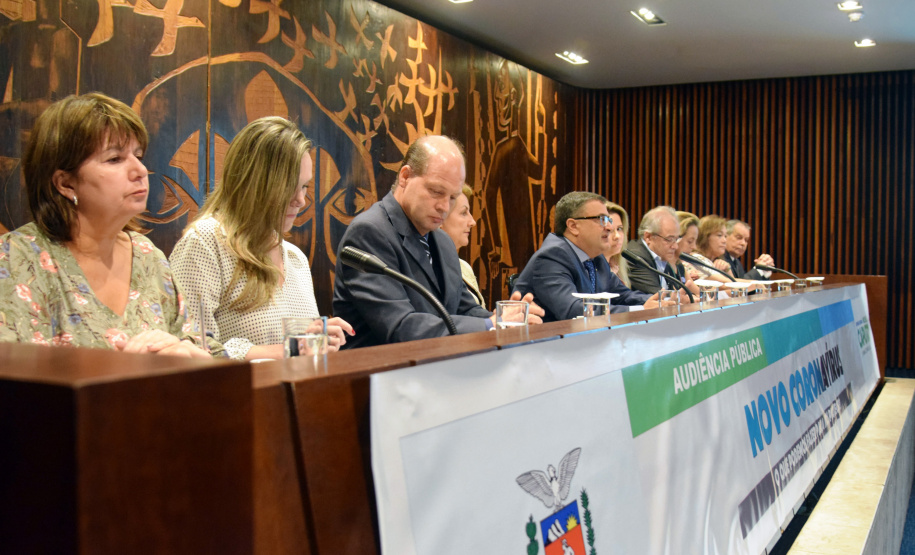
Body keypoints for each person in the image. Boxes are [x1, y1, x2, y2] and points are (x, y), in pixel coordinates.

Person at [0, 92, 214, 357]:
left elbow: (201, 346)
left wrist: (191, 357)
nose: (139, 171)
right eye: (115, 159)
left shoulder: (148, 256)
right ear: (66, 183)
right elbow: (15, 381)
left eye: (138, 155)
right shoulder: (16, 257)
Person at [332, 135, 542, 349]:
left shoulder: (442, 241)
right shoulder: (370, 232)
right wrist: (489, 325)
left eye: (453, 197)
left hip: (437, 372)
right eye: (436, 192)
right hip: (377, 376)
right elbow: (402, 326)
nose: (444, 207)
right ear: (405, 177)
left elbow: (465, 310)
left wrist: (506, 318)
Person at [170, 117, 353, 360]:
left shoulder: (295, 258)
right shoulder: (206, 241)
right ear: (254, 182)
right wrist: (291, 349)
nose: (301, 200)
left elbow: (297, 351)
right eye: (290, 186)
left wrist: (314, 338)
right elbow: (191, 346)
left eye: (305, 187)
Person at [512, 192, 670, 323]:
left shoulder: (595, 258)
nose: (608, 226)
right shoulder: (551, 258)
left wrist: (662, 301)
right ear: (573, 226)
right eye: (601, 219)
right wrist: (642, 310)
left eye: (607, 219)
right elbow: (573, 310)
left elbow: (624, 296)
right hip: (547, 350)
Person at [441, 184, 485, 307]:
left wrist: (506, 316)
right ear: (439, 219)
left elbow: (477, 315)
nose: (473, 222)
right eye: (464, 213)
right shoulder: (427, 267)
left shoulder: (464, 267)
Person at [624, 206, 683, 295]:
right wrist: (683, 297)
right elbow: (657, 295)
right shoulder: (636, 257)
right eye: (669, 239)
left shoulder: (663, 255)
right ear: (648, 237)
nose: (675, 246)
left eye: (676, 239)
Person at [690, 215, 735, 283]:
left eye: (725, 236)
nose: (724, 240)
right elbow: (731, 284)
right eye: (719, 235)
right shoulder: (696, 259)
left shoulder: (716, 261)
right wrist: (756, 284)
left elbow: (733, 288)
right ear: (705, 237)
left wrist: (728, 269)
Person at [601, 201, 631, 288]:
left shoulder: (617, 266)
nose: (617, 236)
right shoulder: (588, 270)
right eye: (609, 230)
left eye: (619, 229)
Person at [676, 211, 702, 282]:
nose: (694, 247)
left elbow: (697, 292)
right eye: (690, 241)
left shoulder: (679, 265)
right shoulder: (655, 263)